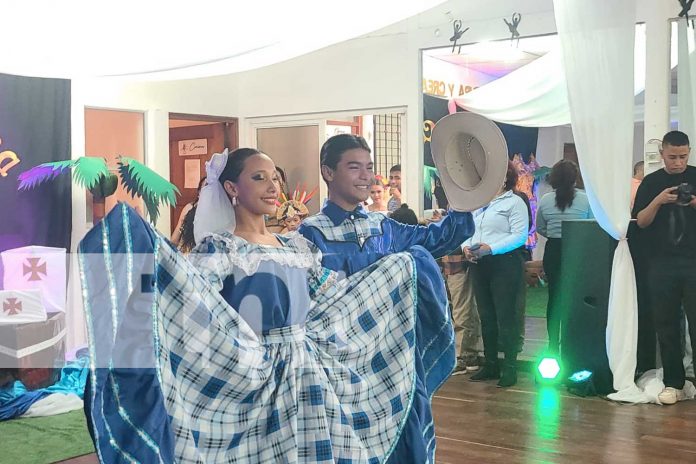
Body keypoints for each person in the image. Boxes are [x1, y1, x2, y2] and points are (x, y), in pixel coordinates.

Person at [79, 148, 423, 462]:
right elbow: (192, 300)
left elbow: (334, 295)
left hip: (308, 369)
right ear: (231, 188)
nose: (273, 187)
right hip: (251, 374)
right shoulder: (221, 249)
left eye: (275, 178)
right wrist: (146, 250)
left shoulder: (296, 247)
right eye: (259, 178)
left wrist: (399, 269)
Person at [299, 133, 475, 464]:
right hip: (341, 364)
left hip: (393, 356)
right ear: (328, 172)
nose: (366, 176)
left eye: (369, 167)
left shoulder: (384, 227)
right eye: (354, 167)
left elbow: (440, 238)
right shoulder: (310, 233)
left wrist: (463, 199)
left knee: (405, 429)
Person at [633, 130, 696, 405]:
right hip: (661, 262)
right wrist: (658, 200)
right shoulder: (651, 182)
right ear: (662, 155)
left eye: (683, 156)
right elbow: (641, 221)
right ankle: (674, 382)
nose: (678, 163)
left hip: (694, 260)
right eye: (672, 157)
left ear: (689, 152)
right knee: (666, 324)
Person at [463, 161, 529, 388]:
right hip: (479, 264)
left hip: (505, 264)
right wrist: (466, 247)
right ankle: (490, 364)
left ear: (505, 179)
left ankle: (510, 366)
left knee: (506, 316)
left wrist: (491, 248)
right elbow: (469, 230)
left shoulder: (515, 202)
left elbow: (520, 236)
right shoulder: (479, 204)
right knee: (486, 316)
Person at [536, 160, 593, 353]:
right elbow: (592, 225)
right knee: (577, 298)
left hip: (553, 250)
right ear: (574, 178)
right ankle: (573, 344)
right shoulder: (586, 199)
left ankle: (552, 346)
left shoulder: (545, 200)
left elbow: (541, 228)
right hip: (578, 252)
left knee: (554, 298)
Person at [171, 176, 206, 251]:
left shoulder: (217, 213)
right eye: (205, 188)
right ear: (199, 193)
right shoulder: (189, 208)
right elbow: (176, 236)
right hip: (186, 252)